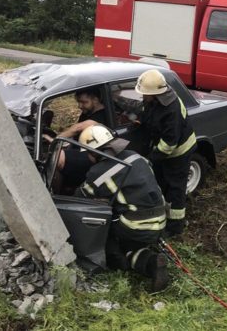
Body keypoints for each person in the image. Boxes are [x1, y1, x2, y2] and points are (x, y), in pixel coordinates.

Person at [75, 124, 169, 292]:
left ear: (94, 153)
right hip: (161, 219)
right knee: (132, 237)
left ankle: (130, 262)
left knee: (108, 234)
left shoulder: (98, 173)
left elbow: (80, 198)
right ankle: (151, 259)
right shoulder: (136, 156)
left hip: (136, 225)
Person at [135, 69, 197, 237]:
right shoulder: (155, 99)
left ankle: (175, 226)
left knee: (175, 188)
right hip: (166, 149)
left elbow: (169, 143)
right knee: (162, 181)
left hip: (179, 152)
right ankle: (162, 213)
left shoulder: (171, 109)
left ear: (155, 93)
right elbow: (149, 113)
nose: (143, 96)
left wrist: (151, 160)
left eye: (145, 94)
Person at [45, 87, 108, 191]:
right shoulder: (88, 112)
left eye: (84, 102)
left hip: (94, 155)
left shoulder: (101, 116)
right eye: (78, 102)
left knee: (57, 157)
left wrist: (56, 140)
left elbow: (78, 128)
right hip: (80, 148)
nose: (80, 106)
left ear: (96, 100)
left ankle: (55, 195)